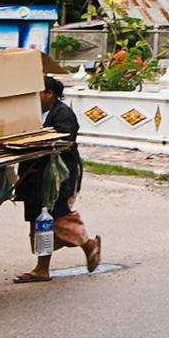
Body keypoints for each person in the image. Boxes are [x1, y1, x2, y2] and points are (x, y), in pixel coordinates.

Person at [13, 73, 100, 282]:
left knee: (58, 217)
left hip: (59, 177)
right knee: (39, 221)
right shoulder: (31, 114)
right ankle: (42, 269)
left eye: (38, 94)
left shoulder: (63, 114)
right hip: (33, 176)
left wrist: (34, 143)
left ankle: (88, 243)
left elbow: (64, 141)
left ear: (49, 93)